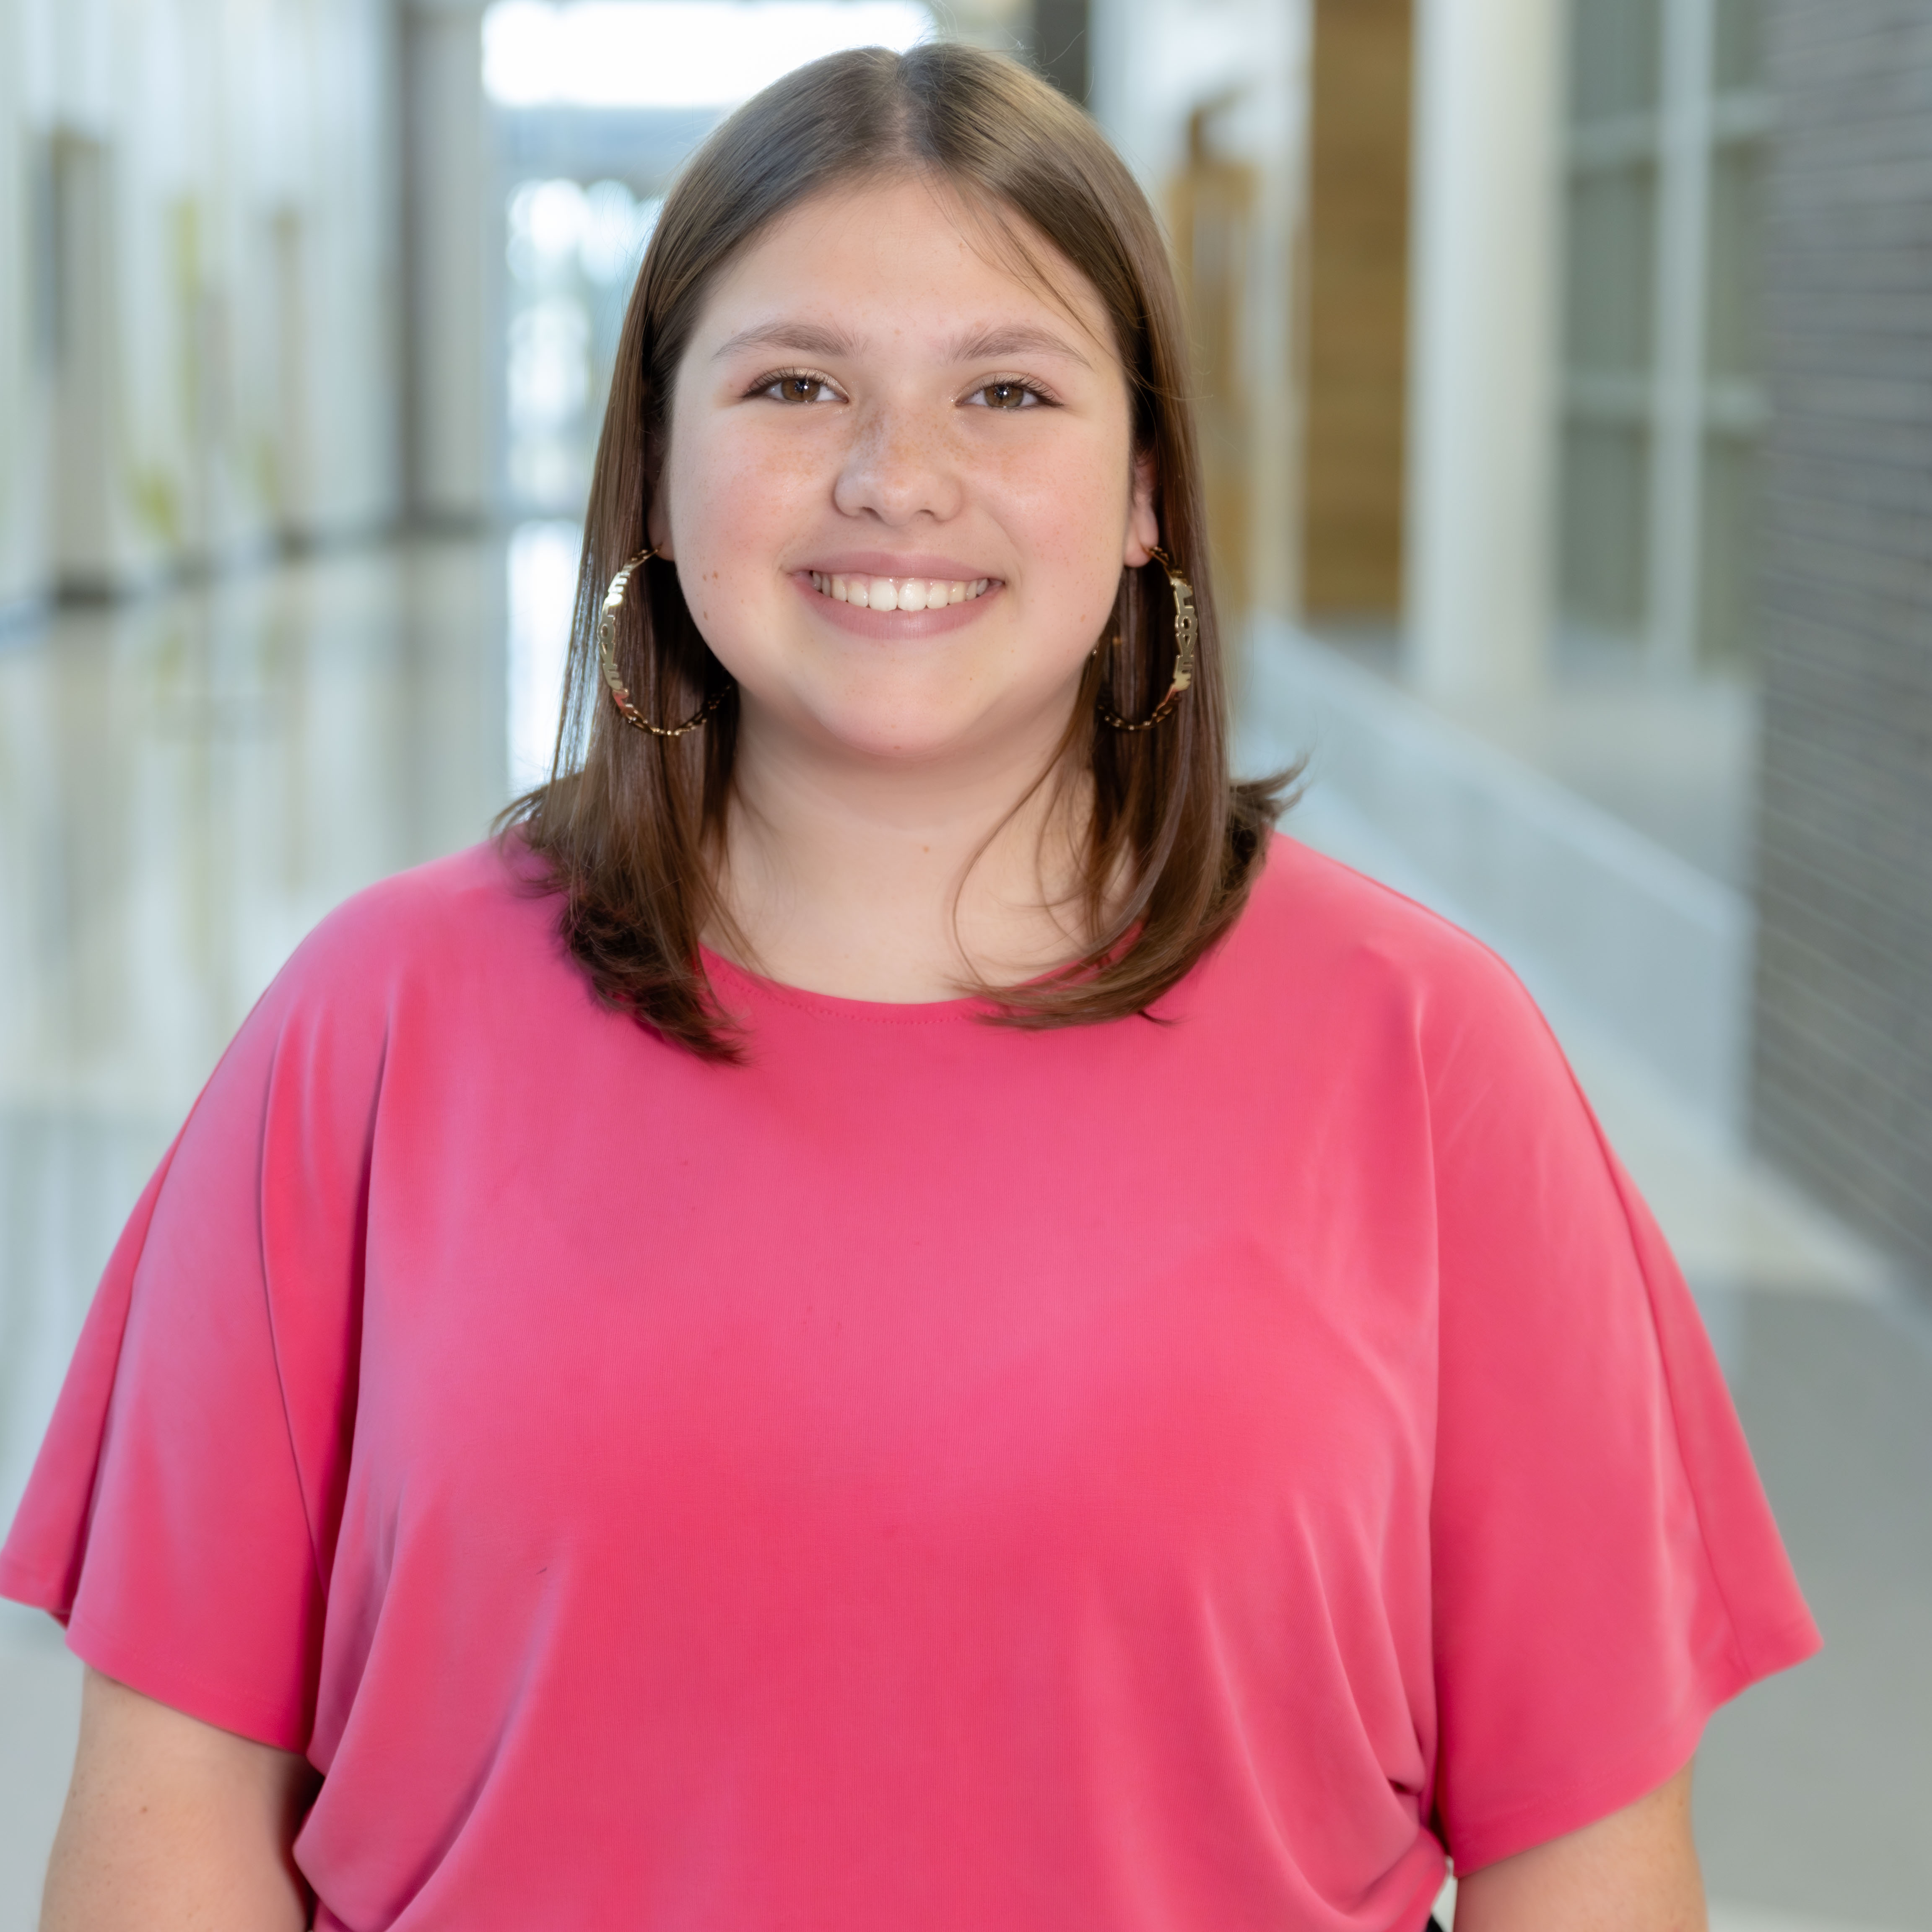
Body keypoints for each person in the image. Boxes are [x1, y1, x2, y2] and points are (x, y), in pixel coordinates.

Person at [2, 42, 1816, 1932]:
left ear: (1143, 492)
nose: (898, 478)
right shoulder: (368, 1031)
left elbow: (1586, 1862)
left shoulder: (1429, 1053)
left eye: (1008, 391)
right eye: (796, 384)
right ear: (656, 462)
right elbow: (169, 1829)